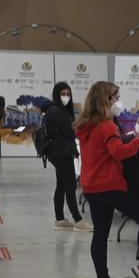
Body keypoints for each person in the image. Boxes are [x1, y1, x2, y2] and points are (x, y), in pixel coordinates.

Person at [75, 82, 139, 278]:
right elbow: (117, 152)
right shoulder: (107, 125)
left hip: (92, 187)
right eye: (115, 97)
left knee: (100, 234)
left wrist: (126, 138)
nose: (118, 102)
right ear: (105, 100)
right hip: (111, 185)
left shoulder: (85, 126)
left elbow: (104, 148)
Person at [43, 83, 91, 231]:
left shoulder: (60, 111)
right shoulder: (55, 111)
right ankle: (78, 220)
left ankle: (60, 219)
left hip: (61, 152)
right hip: (61, 153)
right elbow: (70, 131)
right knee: (70, 185)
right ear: (56, 94)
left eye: (68, 94)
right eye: (63, 94)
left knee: (62, 185)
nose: (66, 97)